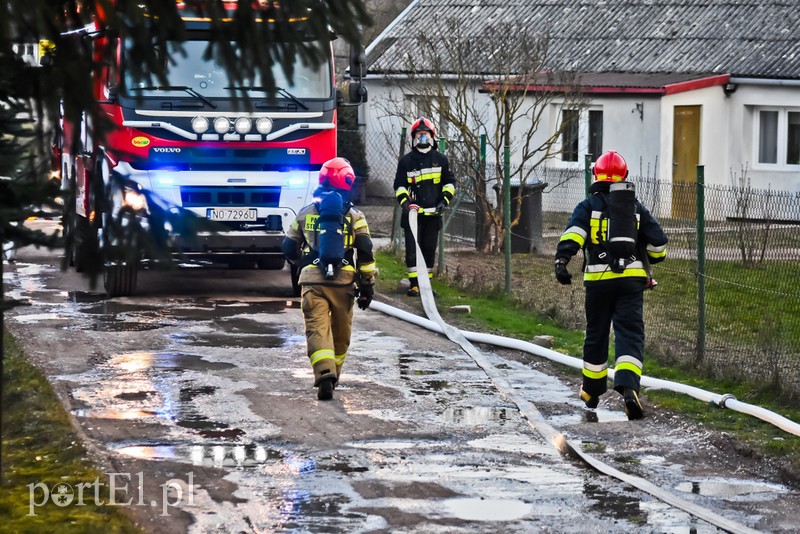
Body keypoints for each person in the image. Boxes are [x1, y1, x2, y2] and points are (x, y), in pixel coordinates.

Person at [554, 150, 667, 420]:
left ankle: (591, 392)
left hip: (598, 282)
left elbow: (574, 235)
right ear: (624, 177)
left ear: (596, 175)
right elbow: (659, 246)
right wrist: (647, 256)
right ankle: (629, 389)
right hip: (631, 282)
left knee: (597, 334)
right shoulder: (635, 207)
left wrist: (562, 261)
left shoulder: (587, 205)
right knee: (630, 333)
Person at [282, 157, 376, 400]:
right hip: (344, 283)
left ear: (322, 180)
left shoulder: (305, 213)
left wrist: (303, 265)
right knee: (341, 332)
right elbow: (365, 250)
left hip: (312, 283)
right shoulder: (356, 216)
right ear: (348, 182)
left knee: (317, 328)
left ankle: (324, 373)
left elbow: (288, 247)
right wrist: (367, 286)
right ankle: (335, 371)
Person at [393, 117, 456, 296]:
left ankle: (426, 285)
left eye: (425, 134)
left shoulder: (441, 160)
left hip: (432, 215)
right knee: (413, 250)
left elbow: (449, 183)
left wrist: (444, 202)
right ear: (414, 137)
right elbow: (399, 185)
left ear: (432, 136)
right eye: (419, 134)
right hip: (413, 216)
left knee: (429, 249)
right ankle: (414, 285)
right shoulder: (406, 162)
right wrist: (405, 203)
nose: (422, 137)